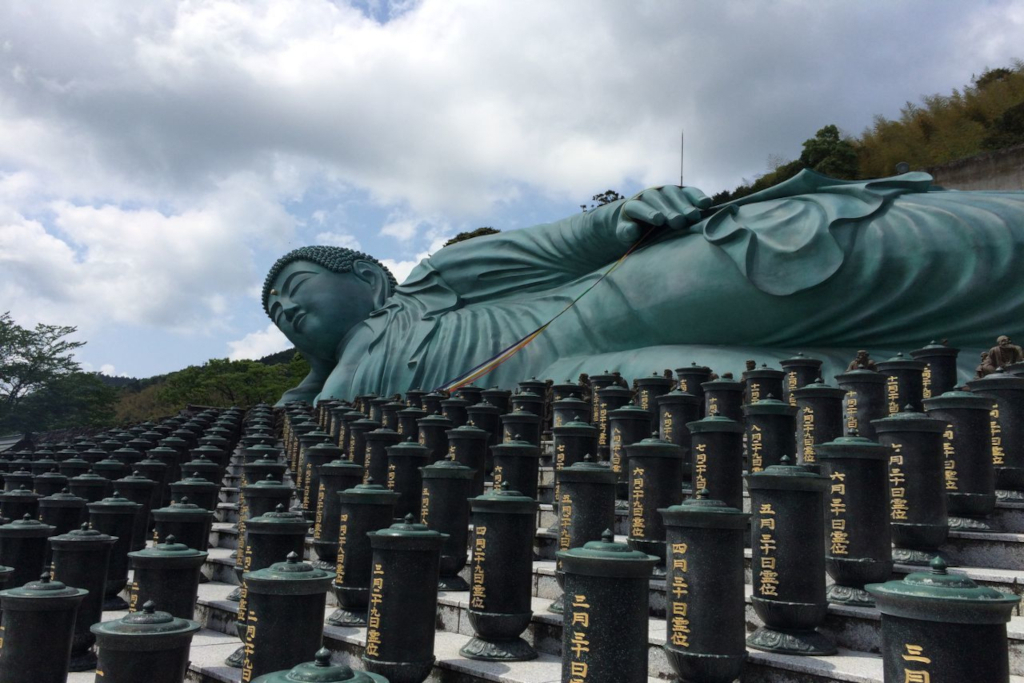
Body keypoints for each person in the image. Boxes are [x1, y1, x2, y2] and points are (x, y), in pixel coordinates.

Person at [263, 170, 1024, 404]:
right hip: (565, 393)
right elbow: (288, 416)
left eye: (294, 286)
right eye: (276, 314)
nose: (288, 310)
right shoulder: (323, 398)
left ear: (364, 274)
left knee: (811, 254)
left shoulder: (431, 283)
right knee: (791, 395)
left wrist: (622, 218)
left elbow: (553, 244)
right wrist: (313, 376)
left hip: (603, 307)